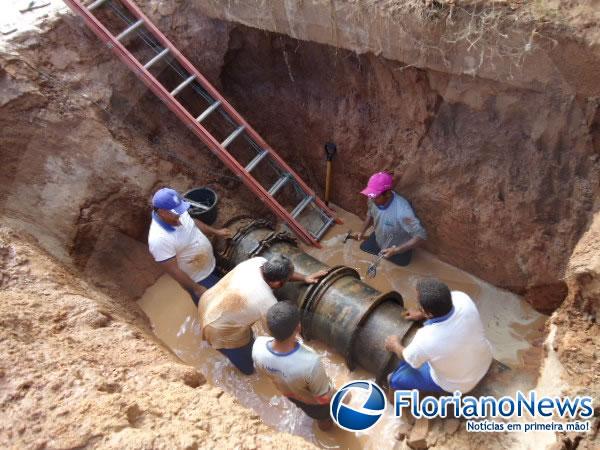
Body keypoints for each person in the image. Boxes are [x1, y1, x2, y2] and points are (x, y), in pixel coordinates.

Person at [199, 255, 326, 375]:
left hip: (207, 301)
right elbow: (276, 332)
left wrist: (304, 277)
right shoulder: (265, 300)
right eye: (285, 281)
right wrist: (298, 343)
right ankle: (244, 367)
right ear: (277, 284)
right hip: (219, 329)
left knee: (244, 334)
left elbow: (281, 276)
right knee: (249, 366)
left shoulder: (258, 262)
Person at [385, 278, 493, 394]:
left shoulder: (425, 338)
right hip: (485, 359)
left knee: (395, 378)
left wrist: (395, 345)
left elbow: (409, 358)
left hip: (460, 384)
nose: (417, 305)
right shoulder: (463, 299)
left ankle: (394, 403)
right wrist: (422, 313)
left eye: (419, 305)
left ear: (429, 313)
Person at [252, 302, 335, 430]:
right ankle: (327, 429)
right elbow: (323, 398)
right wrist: (340, 396)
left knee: (306, 407)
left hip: (289, 395)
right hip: (314, 403)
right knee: (324, 419)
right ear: (298, 327)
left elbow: (266, 375)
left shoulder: (258, 346)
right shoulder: (311, 362)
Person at [147, 187, 231, 306]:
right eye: (176, 211)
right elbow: (174, 271)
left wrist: (216, 232)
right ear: (162, 212)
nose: (181, 213)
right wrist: (197, 289)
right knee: (224, 307)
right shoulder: (158, 239)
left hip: (212, 262)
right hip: (200, 279)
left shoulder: (178, 212)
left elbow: (194, 223)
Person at [353, 171, 426, 266]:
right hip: (379, 240)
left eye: (375, 196)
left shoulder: (403, 211)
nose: (372, 199)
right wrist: (362, 231)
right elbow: (370, 214)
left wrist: (397, 250)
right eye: (371, 195)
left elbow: (420, 236)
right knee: (362, 250)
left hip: (398, 248)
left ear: (387, 193)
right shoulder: (372, 198)